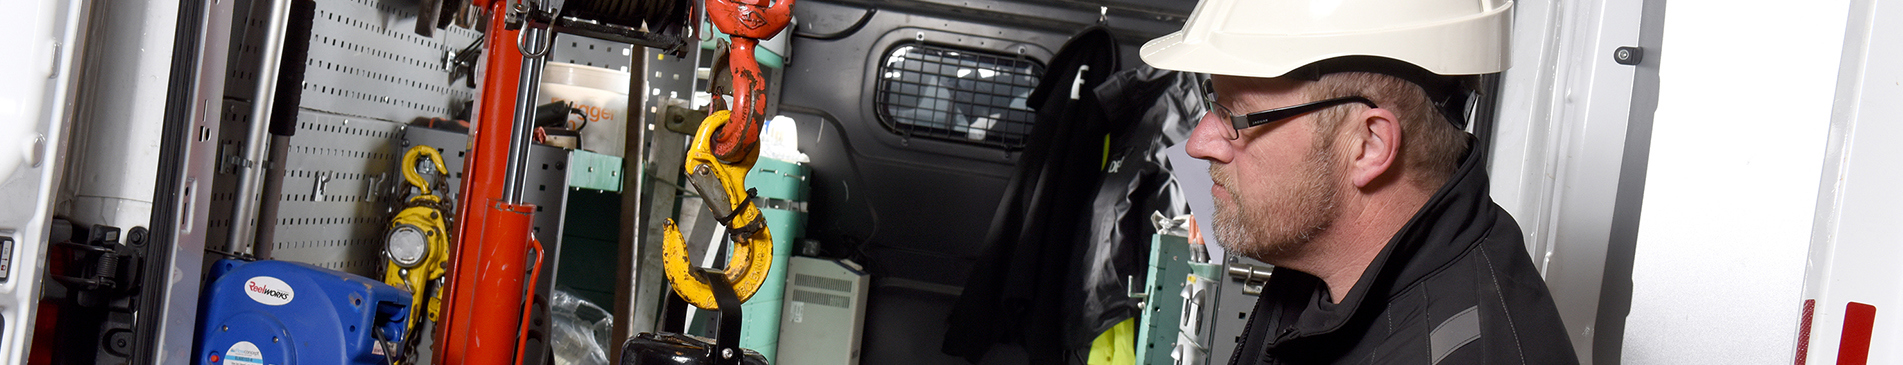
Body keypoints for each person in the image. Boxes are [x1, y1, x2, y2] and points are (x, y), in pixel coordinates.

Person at [1140, 0, 1580, 363]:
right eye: (1211, 102)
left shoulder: (1465, 350)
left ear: (1368, 145)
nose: (1198, 143)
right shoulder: (1321, 258)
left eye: (1236, 116)